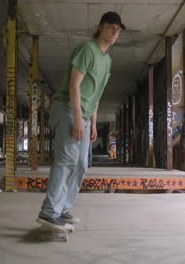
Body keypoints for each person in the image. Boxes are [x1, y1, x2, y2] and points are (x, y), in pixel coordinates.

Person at [37, 11, 125, 231]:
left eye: (118, 29)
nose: (115, 32)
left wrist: (93, 123)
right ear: (100, 27)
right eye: (111, 27)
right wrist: (77, 118)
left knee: (81, 164)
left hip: (84, 114)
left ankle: (62, 209)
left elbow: (95, 94)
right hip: (68, 108)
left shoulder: (107, 60)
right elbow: (74, 85)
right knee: (66, 160)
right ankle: (49, 213)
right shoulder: (88, 50)